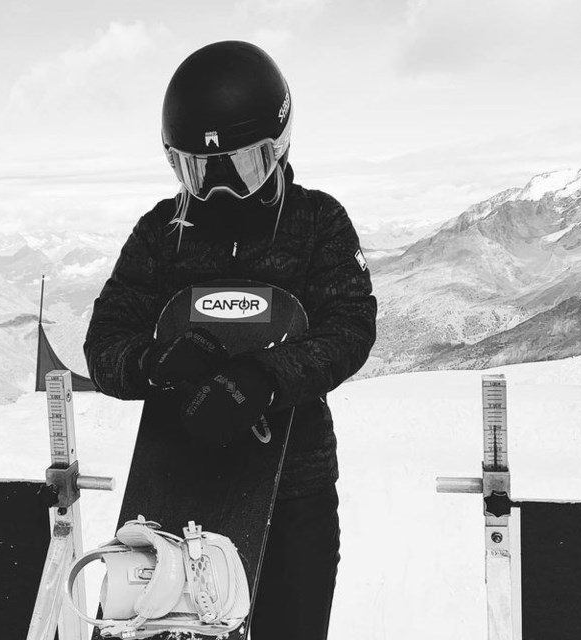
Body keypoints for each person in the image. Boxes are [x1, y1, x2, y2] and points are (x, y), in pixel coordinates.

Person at [83, 40, 377, 639]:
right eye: (197, 170)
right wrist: (156, 363)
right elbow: (105, 343)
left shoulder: (318, 222)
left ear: (279, 148)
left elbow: (349, 327)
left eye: (242, 167)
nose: (219, 190)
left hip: (294, 483)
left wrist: (265, 378)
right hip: (175, 485)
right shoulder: (162, 234)